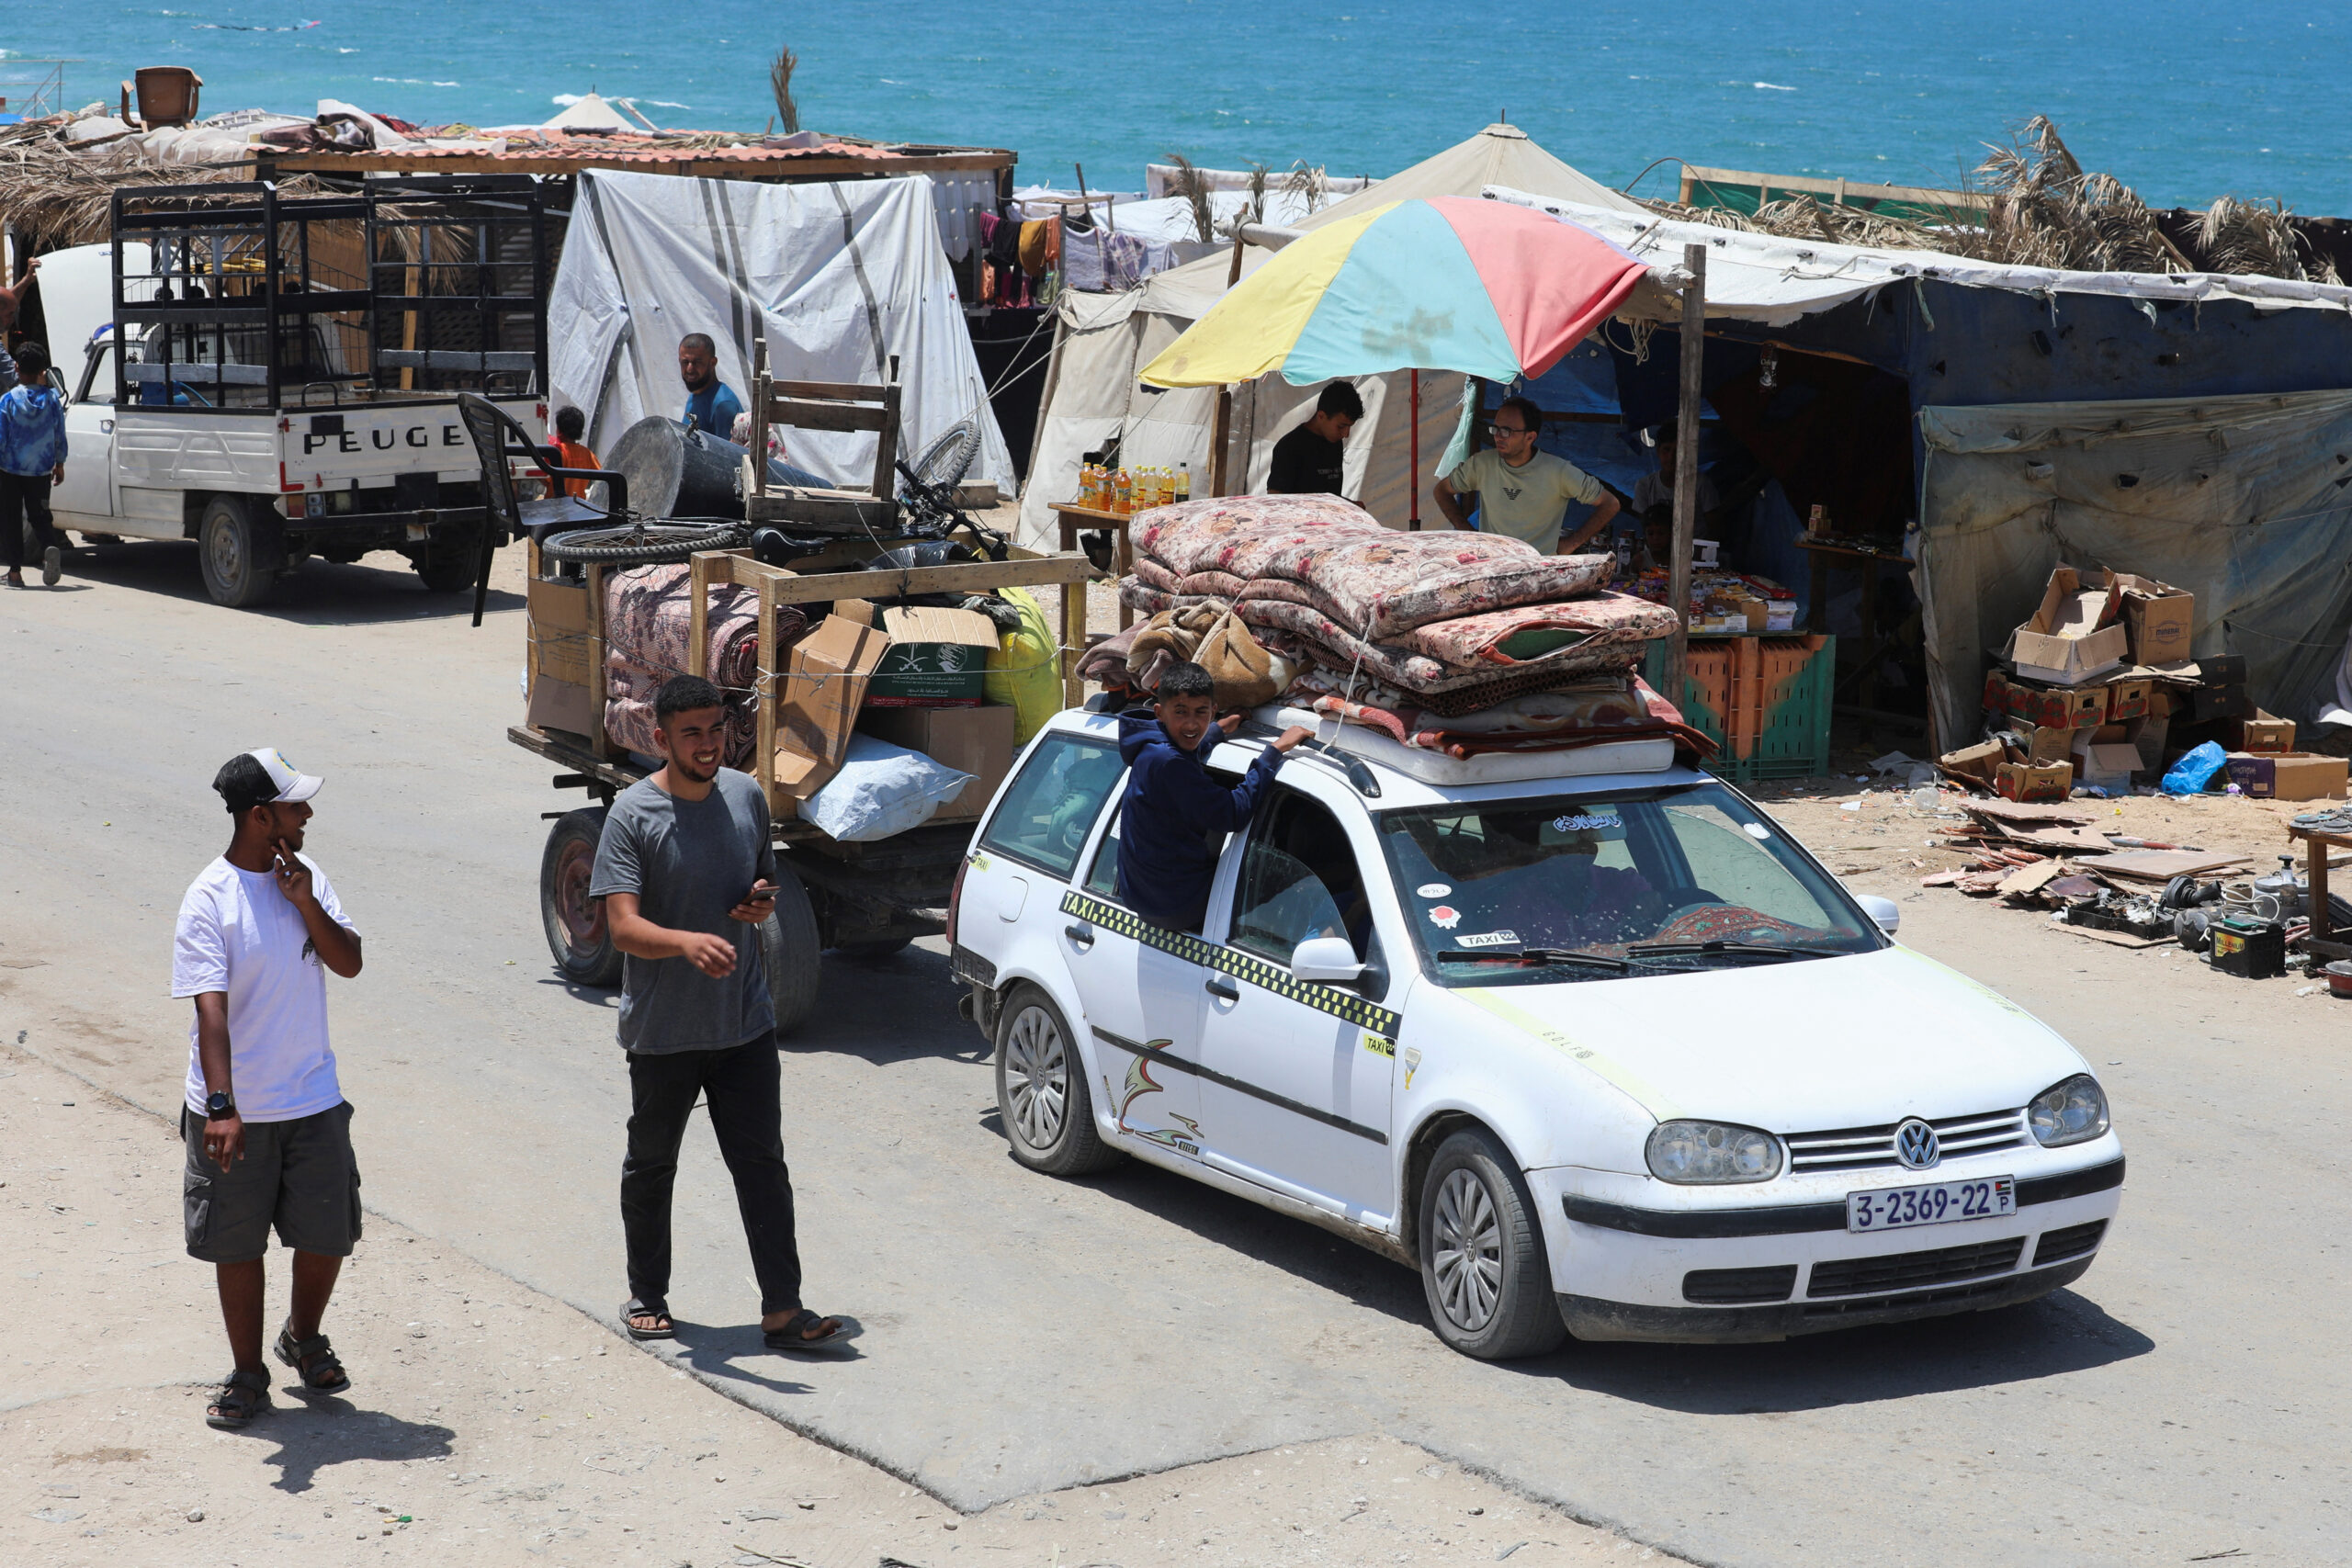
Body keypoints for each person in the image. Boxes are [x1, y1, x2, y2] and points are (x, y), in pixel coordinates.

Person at [589, 675, 847, 1352]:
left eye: (715, 729)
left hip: (744, 1022)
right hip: (665, 1030)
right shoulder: (632, 816)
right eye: (691, 733)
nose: (708, 744)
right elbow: (621, 927)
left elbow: (759, 880)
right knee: (652, 1164)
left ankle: (783, 1309)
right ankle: (647, 1295)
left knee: (763, 1164)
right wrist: (685, 943)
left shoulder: (746, 795)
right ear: (660, 738)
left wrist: (757, 902)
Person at [174, 750, 367, 1430]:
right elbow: (210, 1011)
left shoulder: (307, 880)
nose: (307, 813)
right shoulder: (209, 899)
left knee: (328, 1232)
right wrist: (222, 1107)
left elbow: (349, 962)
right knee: (238, 1243)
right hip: (237, 1111)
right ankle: (248, 1372)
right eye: (294, 805)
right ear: (261, 817)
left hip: (312, 1096)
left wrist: (306, 902)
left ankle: (303, 1335)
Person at [1114, 661, 1311, 932]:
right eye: (1181, 712)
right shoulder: (1169, 763)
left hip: (1143, 897)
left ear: (1213, 710)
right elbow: (1234, 813)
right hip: (1175, 908)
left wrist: (1216, 730)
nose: (1192, 723)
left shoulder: (1151, 745)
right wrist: (1274, 751)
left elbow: (1183, 749)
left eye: (1201, 712)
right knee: (1300, 883)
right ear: (1159, 712)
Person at [1434, 394, 1620, 556]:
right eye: (1495, 429)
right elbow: (1441, 491)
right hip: (1492, 565)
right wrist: (1469, 534)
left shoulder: (1558, 471)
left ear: (1530, 437)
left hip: (1539, 571)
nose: (1498, 436)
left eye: (1506, 431)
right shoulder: (1482, 464)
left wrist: (1571, 543)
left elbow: (1610, 503)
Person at [0, 340, 67, 589]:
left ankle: (15, 573)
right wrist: (59, 463)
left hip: (10, 470)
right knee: (40, 514)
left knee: (11, 519)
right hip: (40, 470)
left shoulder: (7, 400)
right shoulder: (51, 400)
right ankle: (50, 546)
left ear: (16, 368)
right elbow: (59, 433)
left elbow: (1, 437)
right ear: (43, 371)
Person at [1625, 421, 1723, 569]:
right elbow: (1646, 526)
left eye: (1678, 451)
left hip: (1694, 560)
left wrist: (1699, 559)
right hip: (1657, 560)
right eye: (1666, 450)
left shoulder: (1701, 484)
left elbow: (1714, 527)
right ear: (1658, 451)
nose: (1671, 457)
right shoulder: (1645, 486)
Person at [1267, 381, 1364, 497]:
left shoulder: (1335, 442)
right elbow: (1275, 500)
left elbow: (1329, 499)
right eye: (1341, 426)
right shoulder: (1290, 447)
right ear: (1321, 416)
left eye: (1349, 427)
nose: (1346, 434)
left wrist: (1351, 506)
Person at [678, 333, 745, 440]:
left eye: (697, 362)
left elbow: (728, 454)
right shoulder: (696, 393)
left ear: (712, 363)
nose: (689, 369)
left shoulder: (724, 406)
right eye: (685, 362)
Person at [547, 405, 601, 499]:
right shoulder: (587, 454)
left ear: (559, 430)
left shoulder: (556, 452)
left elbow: (545, 479)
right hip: (578, 506)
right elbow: (602, 475)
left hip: (555, 506)